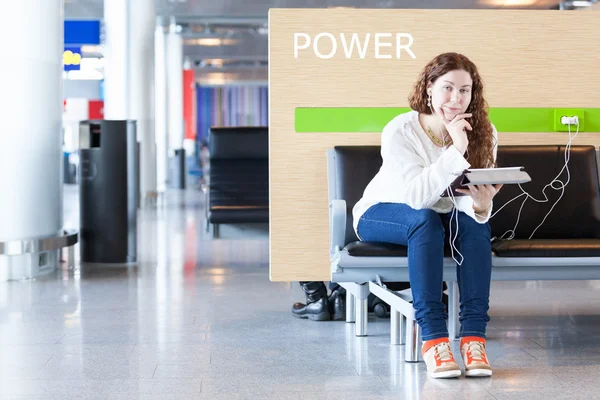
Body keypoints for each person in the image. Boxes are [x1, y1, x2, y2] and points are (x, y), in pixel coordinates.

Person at [352, 52, 501, 379]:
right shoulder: (400, 131)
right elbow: (416, 198)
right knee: (425, 221)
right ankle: (434, 338)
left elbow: (464, 203)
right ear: (429, 88)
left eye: (465, 90)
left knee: (475, 226)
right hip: (383, 211)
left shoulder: (484, 131)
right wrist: (455, 150)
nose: (456, 98)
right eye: (448, 88)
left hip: (440, 215)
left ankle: (474, 338)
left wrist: (480, 204)